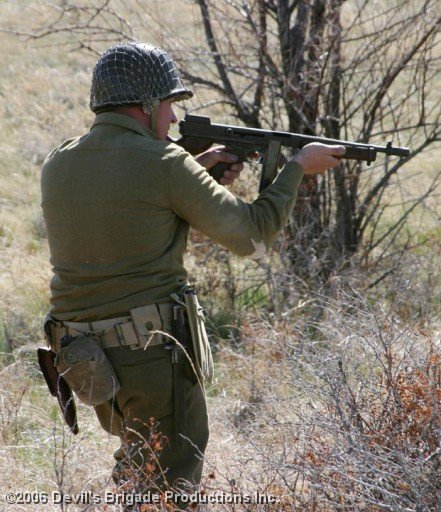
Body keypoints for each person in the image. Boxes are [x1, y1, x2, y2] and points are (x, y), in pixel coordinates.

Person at [40, 41, 345, 510]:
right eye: (169, 105)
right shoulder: (165, 165)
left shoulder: (59, 161)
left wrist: (195, 174)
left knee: (139, 474)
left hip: (85, 361)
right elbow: (252, 236)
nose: (175, 120)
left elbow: (128, 213)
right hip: (149, 361)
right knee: (169, 492)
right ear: (144, 105)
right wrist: (297, 169)